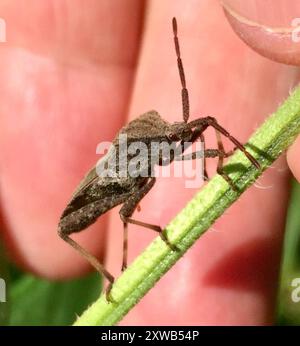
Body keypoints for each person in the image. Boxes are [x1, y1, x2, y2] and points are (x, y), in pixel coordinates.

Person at [0, 0, 300, 325]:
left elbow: (209, 122)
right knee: (77, 227)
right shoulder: (144, 155)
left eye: (178, 136)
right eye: (175, 137)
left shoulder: (163, 143)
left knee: (204, 124)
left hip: (136, 170)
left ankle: (219, 164)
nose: (181, 137)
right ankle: (112, 273)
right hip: (110, 185)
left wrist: (221, 154)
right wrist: (157, 227)